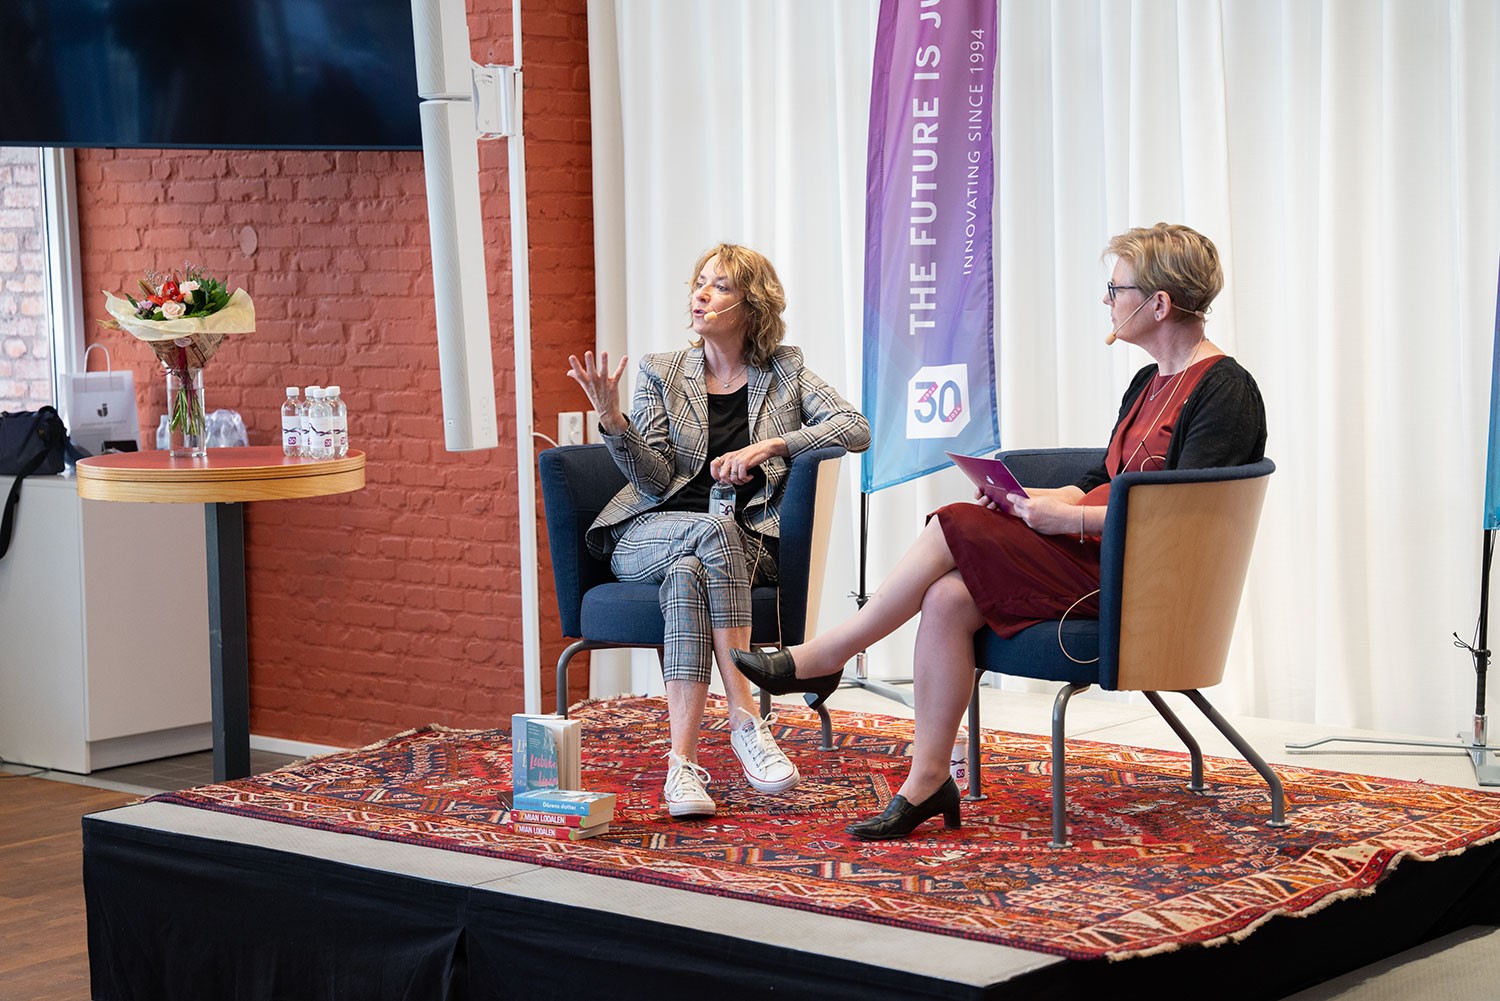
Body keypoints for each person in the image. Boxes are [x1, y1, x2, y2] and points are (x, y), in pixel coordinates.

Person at [733, 223, 1266, 840]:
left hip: (1147, 585)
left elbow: (1185, 523)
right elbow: (1103, 476)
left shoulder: (1226, 390)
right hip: (1101, 558)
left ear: (1160, 303)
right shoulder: (1148, 382)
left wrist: (1064, 519)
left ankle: (828, 655)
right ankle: (927, 779)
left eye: (1115, 287)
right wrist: (1028, 500)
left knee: (955, 522)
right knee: (948, 596)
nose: (1107, 300)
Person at [568, 242, 871, 820]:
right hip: (649, 532)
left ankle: (681, 765)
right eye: (699, 282)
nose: (700, 294)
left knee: (691, 574)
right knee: (707, 535)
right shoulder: (662, 372)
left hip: (745, 542)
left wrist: (773, 444)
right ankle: (745, 718)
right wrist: (612, 420)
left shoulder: (783, 371)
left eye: (720, 285)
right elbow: (653, 481)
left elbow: (854, 427)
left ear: (752, 305)